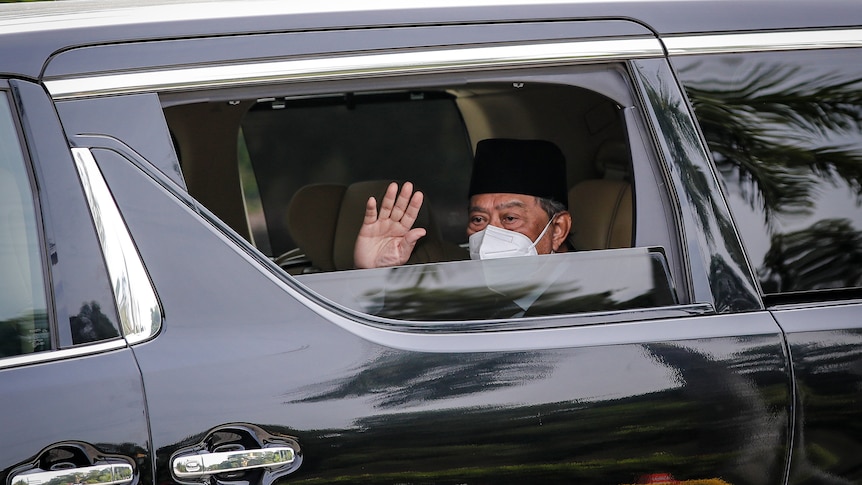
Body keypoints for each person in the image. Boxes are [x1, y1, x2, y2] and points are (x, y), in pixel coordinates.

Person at [354, 138, 573, 269]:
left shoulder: (591, 303)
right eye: (478, 219)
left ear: (558, 230)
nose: (490, 235)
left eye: (509, 218)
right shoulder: (453, 289)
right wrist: (371, 274)